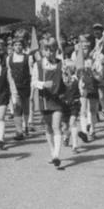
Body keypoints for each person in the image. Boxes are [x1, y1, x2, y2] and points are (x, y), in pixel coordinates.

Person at [31, 38, 65, 168]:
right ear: (42, 50)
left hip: (58, 99)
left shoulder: (61, 63)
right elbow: (33, 82)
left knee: (56, 126)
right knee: (48, 128)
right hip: (44, 100)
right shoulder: (38, 64)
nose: (49, 52)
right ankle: (52, 152)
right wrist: (43, 84)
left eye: (52, 50)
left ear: (56, 50)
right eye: (46, 49)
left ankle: (57, 155)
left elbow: (67, 79)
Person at [7, 32, 32, 140]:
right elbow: (9, 72)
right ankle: (19, 131)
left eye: (20, 45)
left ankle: (26, 125)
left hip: (26, 85)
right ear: (13, 47)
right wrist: (11, 86)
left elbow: (31, 72)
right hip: (14, 86)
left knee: (26, 107)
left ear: (23, 46)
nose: (18, 47)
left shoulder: (28, 57)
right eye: (16, 45)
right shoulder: (9, 58)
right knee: (17, 108)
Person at [61, 62, 82, 153]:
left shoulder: (77, 79)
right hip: (64, 105)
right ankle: (66, 135)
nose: (69, 70)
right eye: (68, 68)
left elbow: (82, 90)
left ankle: (75, 145)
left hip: (74, 104)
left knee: (72, 122)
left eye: (71, 68)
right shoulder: (61, 80)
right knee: (65, 127)